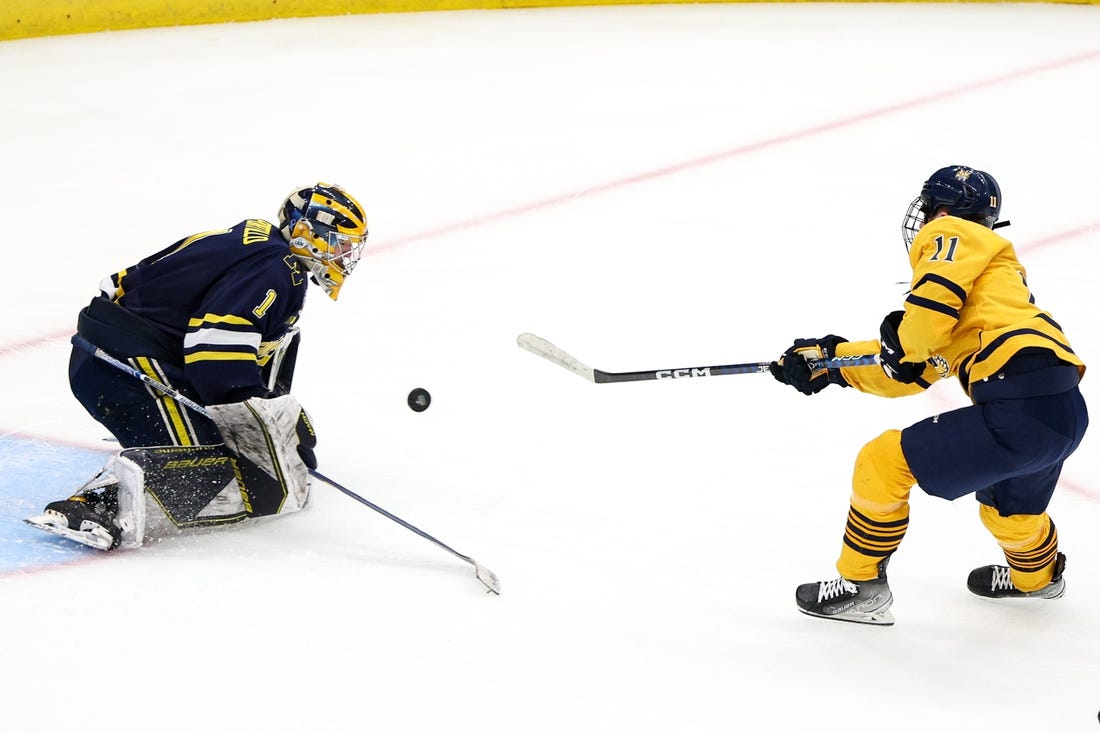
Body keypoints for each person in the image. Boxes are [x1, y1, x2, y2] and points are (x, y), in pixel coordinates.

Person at [769, 165, 1087, 625]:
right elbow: (913, 368)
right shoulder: (989, 294)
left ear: (942, 210)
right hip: (1060, 414)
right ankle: (1037, 579)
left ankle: (861, 587)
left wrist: (898, 344)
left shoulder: (951, 233)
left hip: (1017, 407)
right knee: (1008, 513)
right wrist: (828, 363)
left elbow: (917, 338)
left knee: (882, 462)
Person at [26, 183, 368, 551]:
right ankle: (97, 507)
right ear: (308, 233)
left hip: (121, 353)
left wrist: (263, 409)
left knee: (242, 456)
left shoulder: (261, 247)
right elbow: (215, 346)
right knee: (219, 474)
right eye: (340, 243)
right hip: (124, 365)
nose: (345, 255)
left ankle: (155, 435)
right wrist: (261, 421)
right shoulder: (278, 268)